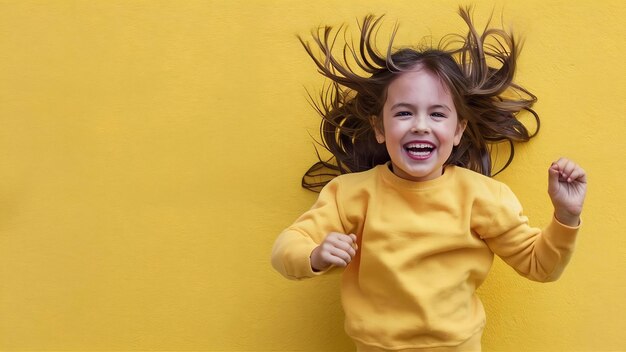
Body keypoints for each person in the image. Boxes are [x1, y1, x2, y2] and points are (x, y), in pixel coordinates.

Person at [271, 6, 587, 352]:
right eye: (404, 112)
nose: (420, 125)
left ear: (457, 130)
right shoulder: (350, 194)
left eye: (437, 114)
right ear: (380, 128)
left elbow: (540, 265)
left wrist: (566, 217)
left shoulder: (483, 197)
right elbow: (287, 247)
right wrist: (315, 255)